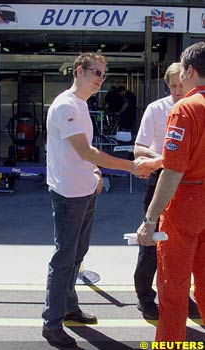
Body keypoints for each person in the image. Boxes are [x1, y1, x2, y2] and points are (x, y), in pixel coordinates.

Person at [42, 52, 156, 348]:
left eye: (103, 75)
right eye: (97, 73)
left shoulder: (81, 104)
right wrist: (130, 166)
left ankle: (68, 307)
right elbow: (86, 151)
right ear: (79, 70)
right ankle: (52, 324)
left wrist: (94, 173)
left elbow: (86, 151)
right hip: (68, 195)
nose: (101, 80)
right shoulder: (67, 105)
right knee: (64, 259)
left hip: (83, 191)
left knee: (77, 254)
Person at [137, 41, 205, 341]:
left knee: (173, 288)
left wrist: (150, 219)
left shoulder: (185, 108)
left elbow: (176, 170)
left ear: (190, 70)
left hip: (186, 204)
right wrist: (159, 161)